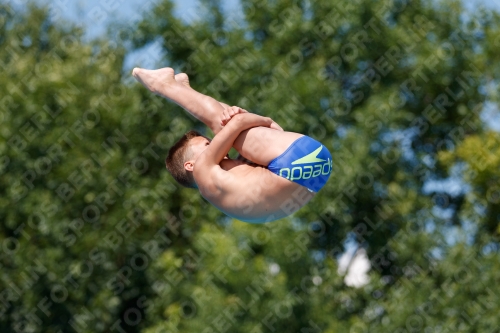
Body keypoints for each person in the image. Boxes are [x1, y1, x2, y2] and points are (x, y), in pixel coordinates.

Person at [132, 67, 332, 223]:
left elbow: (249, 127)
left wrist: (246, 120)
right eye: (206, 144)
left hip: (314, 176)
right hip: (296, 165)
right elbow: (236, 123)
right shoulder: (203, 172)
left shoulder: (229, 180)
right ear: (190, 164)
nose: (215, 145)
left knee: (227, 122)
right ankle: (163, 84)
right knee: (221, 122)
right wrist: (265, 120)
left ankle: (184, 89)